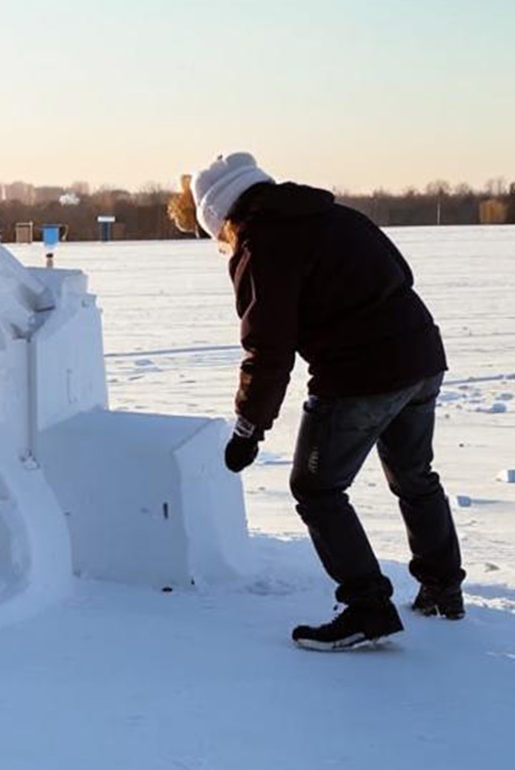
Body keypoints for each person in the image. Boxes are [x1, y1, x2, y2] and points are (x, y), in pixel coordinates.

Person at [172, 153, 464, 651]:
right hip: (421, 357)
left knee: (315, 487)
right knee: (414, 475)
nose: (221, 245)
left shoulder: (262, 245)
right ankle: (441, 589)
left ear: (222, 215)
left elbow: (268, 348)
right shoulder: (334, 214)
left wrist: (248, 427)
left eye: (216, 234)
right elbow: (400, 272)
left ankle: (367, 607)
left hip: (360, 375)